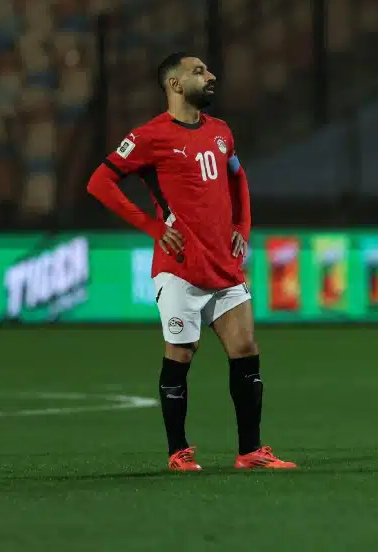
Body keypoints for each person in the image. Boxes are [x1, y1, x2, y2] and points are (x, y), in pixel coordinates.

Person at [87, 53, 295, 471]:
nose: (211, 76)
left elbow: (238, 178)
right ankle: (178, 451)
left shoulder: (221, 132)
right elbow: (100, 182)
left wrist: (242, 227)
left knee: (245, 349)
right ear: (176, 84)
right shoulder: (149, 136)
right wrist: (152, 227)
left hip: (224, 264)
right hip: (180, 266)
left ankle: (250, 451)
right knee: (181, 354)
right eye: (199, 71)